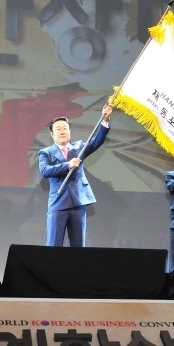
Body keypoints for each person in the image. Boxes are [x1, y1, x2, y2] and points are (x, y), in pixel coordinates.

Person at [39, 104, 112, 247]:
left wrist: (105, 119)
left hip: (78, 202)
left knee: (78, 246)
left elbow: (97, 141)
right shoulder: (46, 152)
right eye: (58, 129)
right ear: (52, 134)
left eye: (65, 128)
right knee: (53, 245)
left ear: (70, 132)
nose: (62, 131)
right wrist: (68, 165)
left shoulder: (79, 148)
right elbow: (45, 171)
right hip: (58, 202)